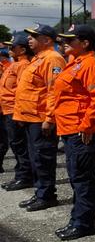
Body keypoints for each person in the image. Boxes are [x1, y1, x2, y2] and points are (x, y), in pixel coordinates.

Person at [52, 25, 95, 241]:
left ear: (84, 43)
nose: (65, 42)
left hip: (81, 131)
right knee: (76, 178)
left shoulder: (90, 64)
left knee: (82, 179)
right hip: (69, 128)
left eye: (70, 39)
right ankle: (77, 219)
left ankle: (83, 223)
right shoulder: (75, 64)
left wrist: (87, 125)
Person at [13, 23, 66, 211]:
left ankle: (47, 195)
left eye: (34, 36)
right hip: (30, 118)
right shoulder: (37, 59)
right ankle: (39, 192)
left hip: (41, 119)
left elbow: (54, 91)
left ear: (47, 40)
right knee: (36, 159)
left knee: (43, 159)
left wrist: (49, 118)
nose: (29, 39)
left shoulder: (53, 59)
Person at [0, 34, 34, 191]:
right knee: (16, 144)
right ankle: (21, 175)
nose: (9, 49)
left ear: (22, 49)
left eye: (12, 47)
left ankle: (25, 176)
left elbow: (22, 91)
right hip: (7, 110)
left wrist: (19, 112)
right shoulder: (15, 64)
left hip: (14, 110)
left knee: (19, 145)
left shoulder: (22, 65)